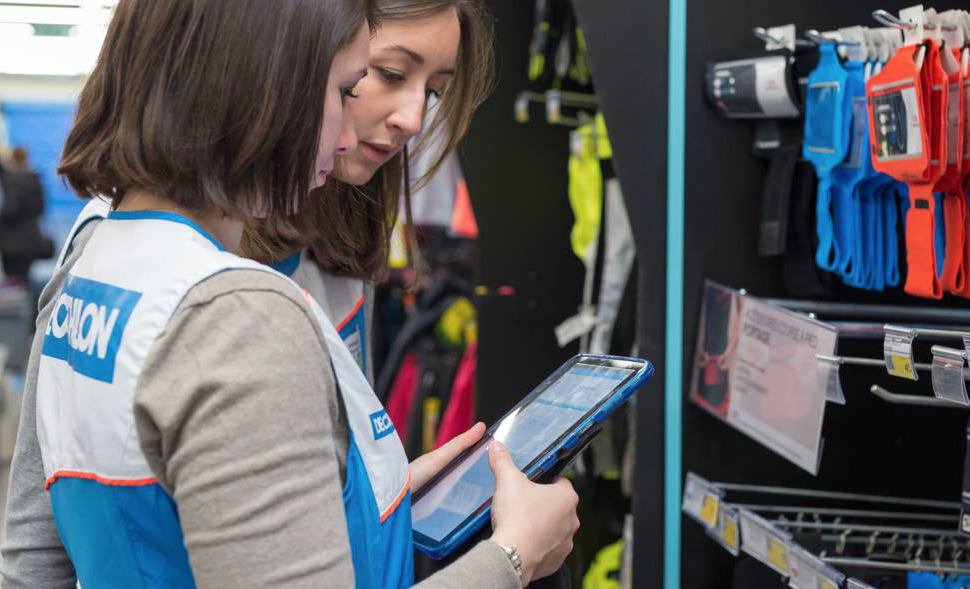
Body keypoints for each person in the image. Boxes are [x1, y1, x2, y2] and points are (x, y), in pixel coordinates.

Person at [1, 2, 579, 589]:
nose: (410, 120)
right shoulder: (237, 313)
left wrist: (372, 491)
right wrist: (512, 556)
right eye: (365, 80)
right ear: (264, 77)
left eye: (433, 91)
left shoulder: (116, 263)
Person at [0, 148, 52, 283]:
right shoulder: (34, 178)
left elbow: (11, 209)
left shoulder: (11, 180)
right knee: (24, 279)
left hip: (12, 242)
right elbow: (41, 208)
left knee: (13, 282)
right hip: (31, 237)